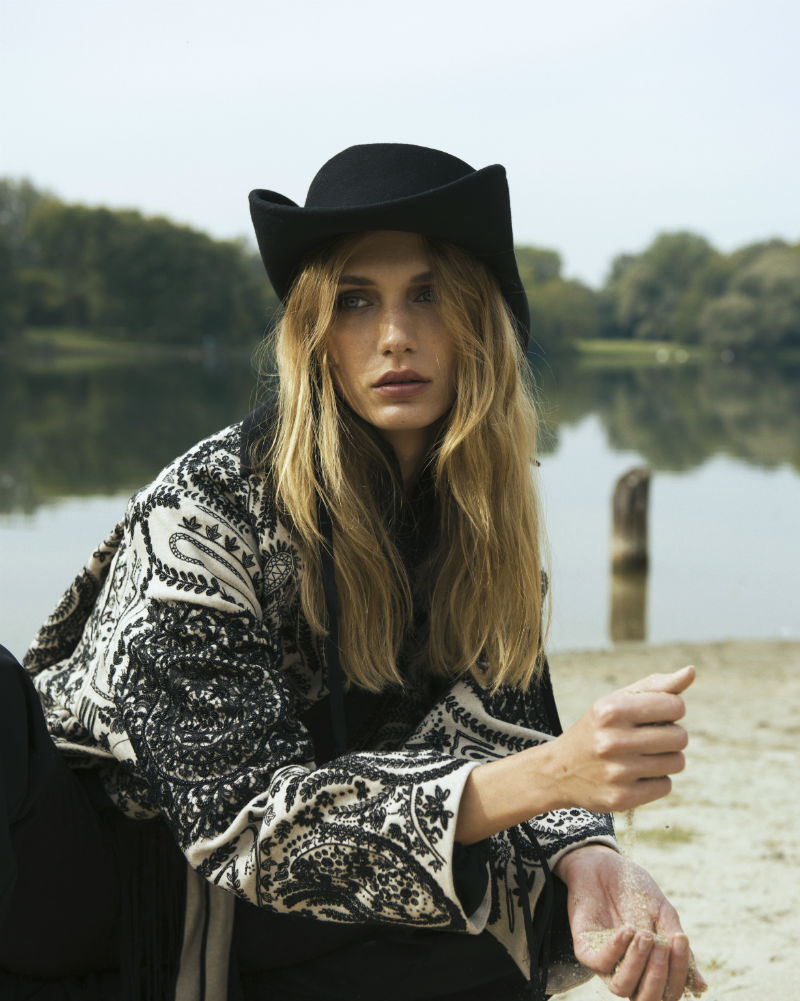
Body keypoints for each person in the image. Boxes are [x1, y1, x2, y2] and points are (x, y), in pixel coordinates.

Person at [0, 143, 706, 1001]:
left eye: (429, 294)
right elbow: (242, 821)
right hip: (90, 868)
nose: (395, 335)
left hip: (291, 896)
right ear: (314, 333)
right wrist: (559, 773)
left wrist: (589, 852)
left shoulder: (482, 522)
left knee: (532, 896)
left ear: (478, 323)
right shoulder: (205, 509)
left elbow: (501, 739)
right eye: (355, 300)